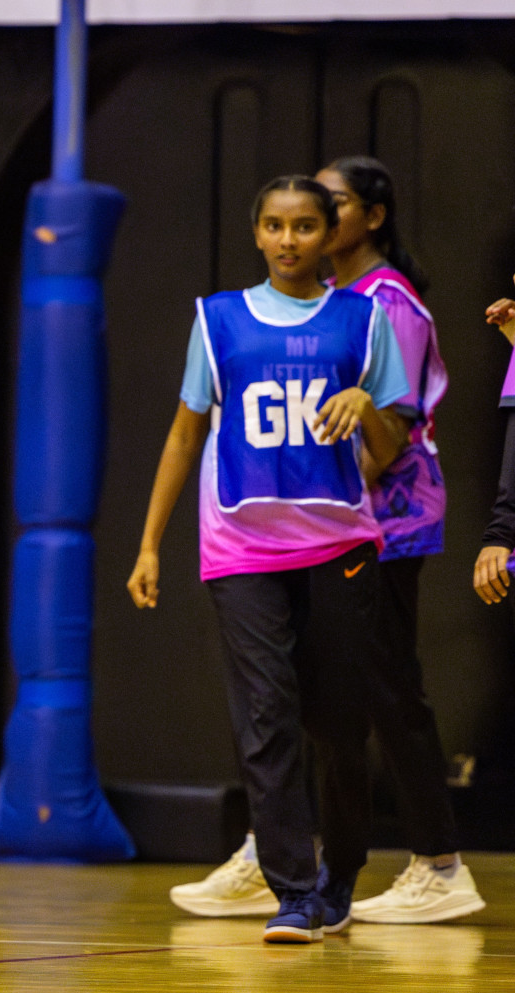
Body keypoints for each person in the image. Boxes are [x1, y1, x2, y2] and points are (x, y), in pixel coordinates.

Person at [169, 158, 483, 924]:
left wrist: (353, 430)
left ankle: (435, 862)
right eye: (284, 219)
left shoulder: (380, 308)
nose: (308, 227)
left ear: (363, 218)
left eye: (328, 208)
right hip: (292, 530)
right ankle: (278, 850)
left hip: (379, 521)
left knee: (377, 695)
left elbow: (391, 427)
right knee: (288, 704)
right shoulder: (265, 310)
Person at [128, 176, 409, 943]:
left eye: (306, 225)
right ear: (257, 233)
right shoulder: (218, 321)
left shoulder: (363, 319)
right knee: (264, 717)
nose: (290, 239)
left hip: (339, 544)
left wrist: (370, 412)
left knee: (339, 725)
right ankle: (290, 890)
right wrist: (150, 544)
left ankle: (339, 875)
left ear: (329, 235)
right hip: (242, 549)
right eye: (277, 226)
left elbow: (390, 449)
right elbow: (186, 434)